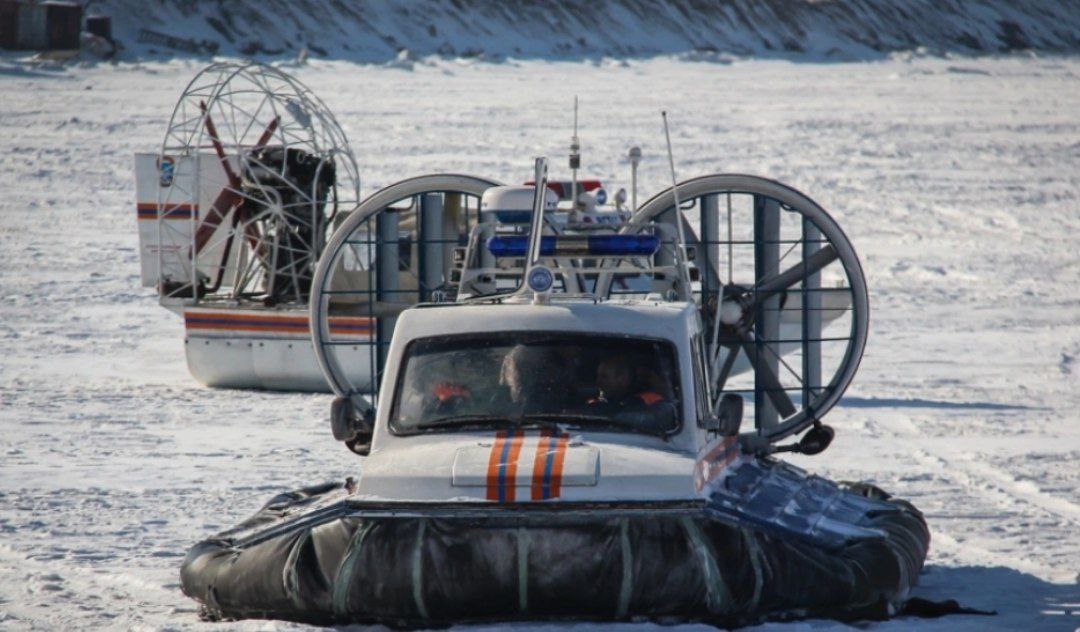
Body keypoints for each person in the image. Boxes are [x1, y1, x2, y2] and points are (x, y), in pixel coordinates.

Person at [588, 355, 677, 431]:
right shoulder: (596, 401)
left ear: (622, 378)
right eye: (598, 376)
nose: (598, 382)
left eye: (604, 377)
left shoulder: (649, 401)